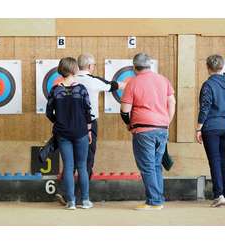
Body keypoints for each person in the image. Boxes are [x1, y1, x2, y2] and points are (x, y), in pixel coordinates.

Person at [55, 53, 125, 205]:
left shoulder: (61, 83)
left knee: (68, 163)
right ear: (90, 66)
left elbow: (51, 109)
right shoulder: (93, 81)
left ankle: (66, 195)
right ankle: (81, 198)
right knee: (86, 161)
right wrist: (129, 83)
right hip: (87, 125)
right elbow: (112, 86)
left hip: (64, 126)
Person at [120, 53, 176, 210]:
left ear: (134, 67)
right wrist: (167, 121)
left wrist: (129, 124)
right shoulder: (163, 80)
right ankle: (158, 199)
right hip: (162, 128)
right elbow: (172, 101)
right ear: (149, 65)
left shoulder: (133, 82)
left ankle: (154, 201)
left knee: (147, 166)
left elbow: (125, 111)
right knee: (156, 165)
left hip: (143, 130)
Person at [46, 57, 93, 210]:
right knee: (82, 167)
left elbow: (48, 113)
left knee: (68, 166)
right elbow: (88, 112)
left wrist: (59, 121)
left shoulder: (55, 90)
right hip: (81, 132)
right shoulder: (81, 89)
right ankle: (85, 201)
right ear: (74, 69)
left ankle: (71, 202)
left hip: (63, 133)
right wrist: (89, 130)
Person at [196, 55, 225, 207]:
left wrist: (198, 128)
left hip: (211, 127)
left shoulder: (208, 84)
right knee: (223, 159)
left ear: (208, 66)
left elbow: (205, 108)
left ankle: (218, 195)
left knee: (215, 161)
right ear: (222, 66)